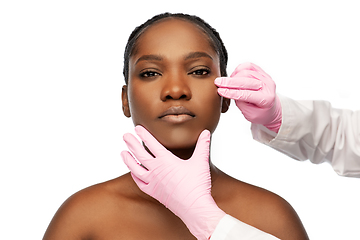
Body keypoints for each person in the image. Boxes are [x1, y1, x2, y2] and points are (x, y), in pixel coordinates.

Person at [43, 13, 308, 239]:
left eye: (199, 71)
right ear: (126, 101)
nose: (175, 90)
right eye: (150, 73)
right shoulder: (83, 218)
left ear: (226, 95)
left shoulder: (272, 216)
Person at [215, 63, 360, 178]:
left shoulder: (271, 209)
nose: (190, 92)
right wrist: (279, 116)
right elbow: (346, 138)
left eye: (199, 71)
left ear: (225, 101)